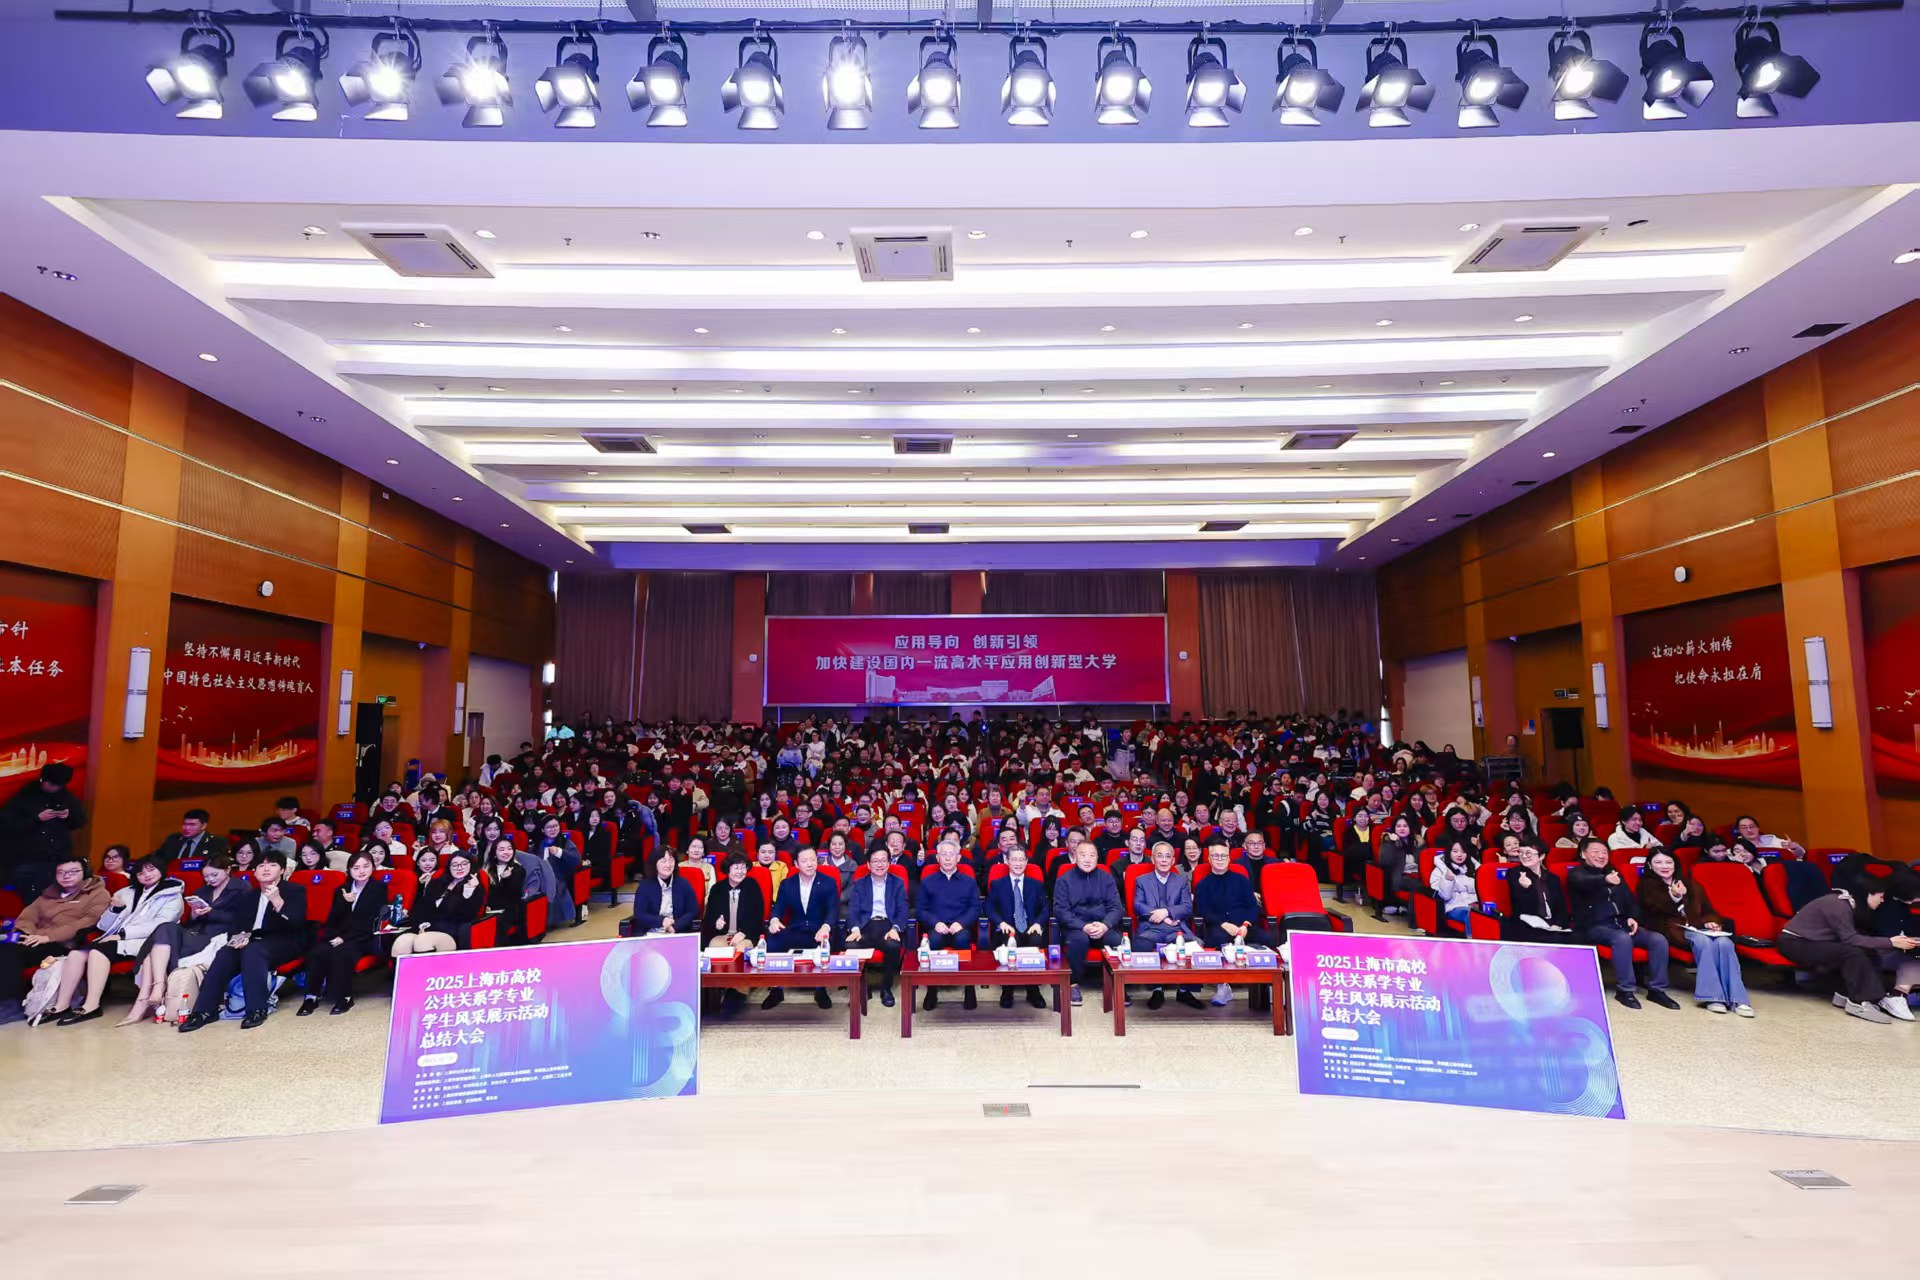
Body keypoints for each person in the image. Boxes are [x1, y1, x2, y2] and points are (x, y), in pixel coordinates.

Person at [179, 853, 310, 1032]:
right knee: (225, 952)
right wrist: (239, 937)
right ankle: (204, 1011)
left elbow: (296, 923)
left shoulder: (295, 890)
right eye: (261, 866)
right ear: (254, 872)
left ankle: (257, 1009)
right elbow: (237, 925)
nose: (266, 869)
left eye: (272, 865)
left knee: (253, 950)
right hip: (252, 940)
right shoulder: (249, 896)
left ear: (282, 870)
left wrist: (277, 901)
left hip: (285, 940)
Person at [50, 854, 184, 1025]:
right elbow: (103, 925)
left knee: (98, 952)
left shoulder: (172, 895)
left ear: (161, 870)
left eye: (151, 870)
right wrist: (115, 909)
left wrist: (122, 935)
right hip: (118, 939)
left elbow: (160, 925)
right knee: (76, 954)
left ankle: (91, 1006)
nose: (146, 875)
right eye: (141, 872)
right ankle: (61, 1005)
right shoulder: (125, 893)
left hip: (148, 942)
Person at [1778, 884, 1919, 1023]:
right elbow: (1850, 939)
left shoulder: (1850, 906)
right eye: (1881, 896)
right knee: (1852, 953)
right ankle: (1858, 1002)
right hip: (1795, 943)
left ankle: (1850, 994)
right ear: (1868, 894)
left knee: (1867, 952)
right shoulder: (1838, 905)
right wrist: (1890, 942)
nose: (1882, 901)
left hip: (1813, 941)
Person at [1565, 838, 1677, 1010]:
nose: (1601, 856)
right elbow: (1583, 883)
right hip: (1594, 926)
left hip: (1621, 924)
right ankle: (1625, 990)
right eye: (1595, 852)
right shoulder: (1576, 874)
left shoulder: (1615, 873)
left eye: (1604, 852)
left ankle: (1657, 989)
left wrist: (1633, 917)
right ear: (1583, 854)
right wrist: (1605, 880)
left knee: (1658, 939)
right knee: (1622, 939)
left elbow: (1630, 900)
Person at [1636, 850, 1752, 1016]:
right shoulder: (1646, 885)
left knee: (1724, 942)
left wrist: (1712, 922)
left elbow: (1709, 910)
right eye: (1658, 862)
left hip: (1698, 928)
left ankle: (1738, 999)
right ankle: (1713, 997)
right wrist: (1674, 895)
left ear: (1675, 864)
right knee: (1702, 941)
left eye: (1668, 862)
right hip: (1671, 930)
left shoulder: (1691, 885)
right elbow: (1655, 909)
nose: (1664, 866)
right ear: (1650, 865)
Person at [140, 853, 250, 1024]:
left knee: (166, 945)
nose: (210, 879)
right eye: (206, 876)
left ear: (227, 870)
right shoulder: (202, 891)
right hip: (197, 933)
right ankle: (160, 984)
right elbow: (189, 923)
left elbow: (242, 920)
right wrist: (194, 914)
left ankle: (165, 988)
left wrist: (212, 913)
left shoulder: (241, 888)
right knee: (166, 927)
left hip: (221, 935)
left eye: (214, 875)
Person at [0, 856, 109, 1024]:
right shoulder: (49, 894)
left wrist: (48, 937)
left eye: (73, 872)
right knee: (6, 947)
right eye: (61, 872)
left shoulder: (97, 894)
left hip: (65, 943)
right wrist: (28, 933)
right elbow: (27, 917)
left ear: (85, 872)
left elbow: (88, 922)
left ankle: (10, 1004)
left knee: (9, 953)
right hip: (36, 939)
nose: (66, 876)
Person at [296, 851, 389, 1017]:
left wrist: (344, 938)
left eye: (366, 866)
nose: (361, 871)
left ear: (373, 868)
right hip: (339, 935)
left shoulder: (378, 888)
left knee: (343, 953)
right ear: (349, 870)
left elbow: (370, 921)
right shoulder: (342, 889)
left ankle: (345, 997)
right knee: (317, 952)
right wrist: (345, 905)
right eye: (356, 868)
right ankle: (311, 996)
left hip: (363, 937)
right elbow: (333, 919)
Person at [1193, 845, 1271, 1010]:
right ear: (1209, 859)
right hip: (1219, 926)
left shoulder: (1241, 880)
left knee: (1266, 938)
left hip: (1244, 926)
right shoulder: (1203, 885)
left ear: (1229, 859)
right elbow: (1203, 910)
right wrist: (1223, 924)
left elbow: (1252, 907)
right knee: (1217, 939)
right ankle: (1222, 986)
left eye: (1223, 856)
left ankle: (1265, 988)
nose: (1220, 859)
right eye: (1216, 856)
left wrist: (1245, 925)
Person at [1132, 841, 1203, 1010]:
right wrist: (1164, 917)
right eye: (1160, 856)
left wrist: (1167, 912)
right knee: (1140, 945)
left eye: (1168, 856)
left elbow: (1187, 907)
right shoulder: (1142, 880)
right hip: (1151, 928)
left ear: (1173, 860)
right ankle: (1156, 990)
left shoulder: (1181, 881)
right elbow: (1138, 906)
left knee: (1196, 945)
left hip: (1176, 929)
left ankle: (1185, 991)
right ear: (1153, 859)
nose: (1164, 860)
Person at [764, 848, 839, 1011]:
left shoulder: (828, 882)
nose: (810, 864)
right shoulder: (787, 884)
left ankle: (821, 990)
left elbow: (833, 910)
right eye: (804, 861)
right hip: (796, 928)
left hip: (818, 929)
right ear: (796, 864)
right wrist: (774, 920)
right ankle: (776, 989)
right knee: (773, 940)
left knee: (825, 942)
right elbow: (778, 908)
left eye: (813, 860)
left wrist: (825, 927)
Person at [0, 761, 86, 902]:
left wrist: (68, 816)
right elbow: (6, 824)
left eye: (57, 785)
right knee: (25, 899)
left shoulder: (68, 798)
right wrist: (36, 818)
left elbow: (79, 822)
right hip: (26, 858)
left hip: (57, 858)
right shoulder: (25, 796)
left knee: (54, 899)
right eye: (49, 783)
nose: (52, 788)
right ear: (42, 779)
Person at [1052, 840, 1122, 1007]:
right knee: (1079, 940)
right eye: (1083, 855)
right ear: (1075, 856)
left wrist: (1105, 925)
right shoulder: (1064, 880)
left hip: (1101, 925)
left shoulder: (1106, 878)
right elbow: (1060, 910)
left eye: (1092, 855)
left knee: (1117, 941)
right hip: (1076, 927)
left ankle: (1118, 984)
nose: (1088, 859)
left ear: (1097, 858)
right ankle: (1073, 984)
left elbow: (1116, 907)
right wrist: (1083, 926)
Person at [914, 841, 981, 1010]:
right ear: (937, 858)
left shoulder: (969, 881)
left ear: (958, 858)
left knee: (962, 939)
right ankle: (932, 990)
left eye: (952, 854)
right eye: (944, 854)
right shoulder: (927, 881)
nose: (948, 858)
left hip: (960, 927)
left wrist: (962, 923)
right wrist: (935, 923)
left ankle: (969, 989)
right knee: (934, 939)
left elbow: (975, 908)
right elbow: (920, 909)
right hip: (937, 926)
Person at [842, 847, 909, 1008]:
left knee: (893, 945)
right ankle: (862, 988)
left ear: (889, 863)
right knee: (851, 945)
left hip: (887, 925)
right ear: (868, 864)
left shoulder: (897, 883)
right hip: (865, 926)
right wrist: (855, 929)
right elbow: (853, 910)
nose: (880, 864)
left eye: (883, 861)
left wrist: (895, 928)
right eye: (875, 861)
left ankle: (886, 988)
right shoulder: (860, 884)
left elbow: (903, 909)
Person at [986, 847, 1049, 1009]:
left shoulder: (1035, 884)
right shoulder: (997, 884)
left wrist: (1038, 923)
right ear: (1007, 861)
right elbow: (989, 908)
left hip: (1030, 927)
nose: (1018, 863)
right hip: (1008, 928)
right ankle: (1007, 990)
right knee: (1009, 942)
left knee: (1035, 940)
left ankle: (1033, 990)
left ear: (1027, 862)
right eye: (1014, 859)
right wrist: (1000, 923)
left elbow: (1045, 908)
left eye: (1022, 860)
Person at [391, 851, 484, 958]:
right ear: (449, 867)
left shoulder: (475, 887)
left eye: (464, 864)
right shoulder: (437, 883)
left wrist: (468, 893)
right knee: (402, 942)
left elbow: (468, 916)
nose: (459, 868)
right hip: (427, 929)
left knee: (423, 941)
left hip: (451, 932)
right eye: (455, 865)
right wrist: (421, 925)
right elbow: (421, 909)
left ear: (471, 865)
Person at [630, 848, 699, 936]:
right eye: (663, 861)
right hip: (651, 933)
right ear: (655, 863)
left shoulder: (683, 884)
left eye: (671, 860)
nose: (668, 865)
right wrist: (661, 921)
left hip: (677, 932)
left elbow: (693, 911)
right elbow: (640, 914)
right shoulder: (645, 886)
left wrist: (676, 926)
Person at [533, 816, 582, 927]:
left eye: (555, 826)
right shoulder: (537, 845)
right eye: (549, 827)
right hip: (539, 876)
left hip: (560, 876)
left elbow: (576, 860)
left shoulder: (566, 843)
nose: (553, 829)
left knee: (552, 885)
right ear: (543, 830)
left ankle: (549, 921)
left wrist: (560, 852)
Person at [1372, 814, 1420, 921]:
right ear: (1394, 829)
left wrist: (1421, 845)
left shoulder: (1415, 842)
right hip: (1400, 876)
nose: (1402, 829)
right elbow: (1385, 861)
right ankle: (1414, 920)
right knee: (1420, 887)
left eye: (1405, 826)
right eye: (1398, 826)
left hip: (1416, 875)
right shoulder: (1389, 842)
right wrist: (1391, 842)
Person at [484, 836, 530, 942]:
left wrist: (506, 879)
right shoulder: (488, 868)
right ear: (494, 853)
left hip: (511, 910)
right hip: (492, 908)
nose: (506, 852)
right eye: (501, 849)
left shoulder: (518, 869)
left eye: (509, 849)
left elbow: (511, 895)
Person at [1428, 841, 1479, 929]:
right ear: (1449, 852)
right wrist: (1448, 881)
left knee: (1488, 914)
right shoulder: (1439, 871)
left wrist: (1460, 885)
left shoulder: (1473, 869)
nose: (1459, 855)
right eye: (1455, 851)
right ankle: (1472, 938)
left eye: (1463, 852)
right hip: (1454, 907)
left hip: (1474, 905)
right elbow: (1444, 896)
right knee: (1471, 915)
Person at [152, 808, 227, 866]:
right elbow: (157, 858)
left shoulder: (216, 842)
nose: (187, 828)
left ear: (203, 826)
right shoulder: (173, 839)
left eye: (192, 825)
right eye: (185, 824)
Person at [1734, 815, 1805, 858]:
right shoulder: (1737, 848)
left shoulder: (1773, 840)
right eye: (1744, 828)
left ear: (1758, 828)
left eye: (1752, 826)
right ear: (1739, 831)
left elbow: (1801, 854)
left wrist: (1794, 847)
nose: (1749, 830)